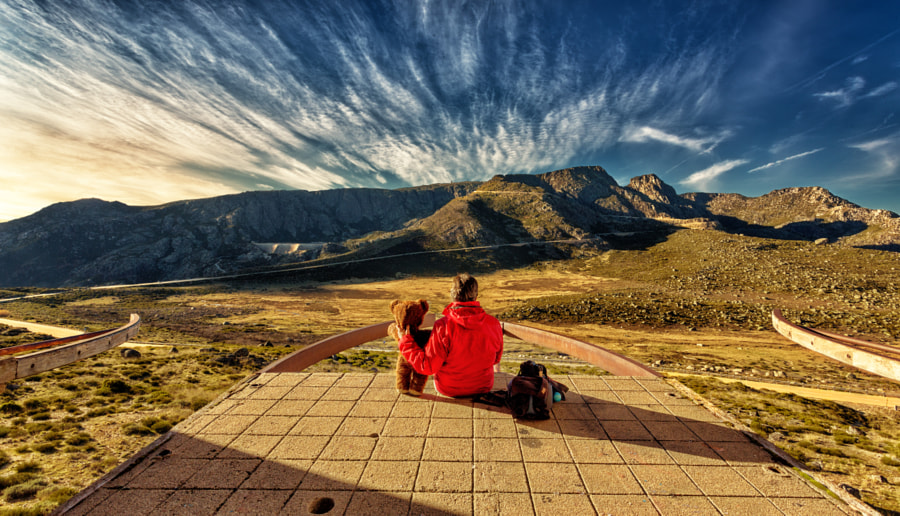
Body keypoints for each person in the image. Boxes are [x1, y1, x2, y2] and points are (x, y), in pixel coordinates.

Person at [397, 273, 503, 397]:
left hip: (449, 388)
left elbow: (428, 367)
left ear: (452, 295)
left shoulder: (442, 326)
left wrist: (405, 340)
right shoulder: (493, 323)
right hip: (483, 386)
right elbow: (496, 358)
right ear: (476, 295)